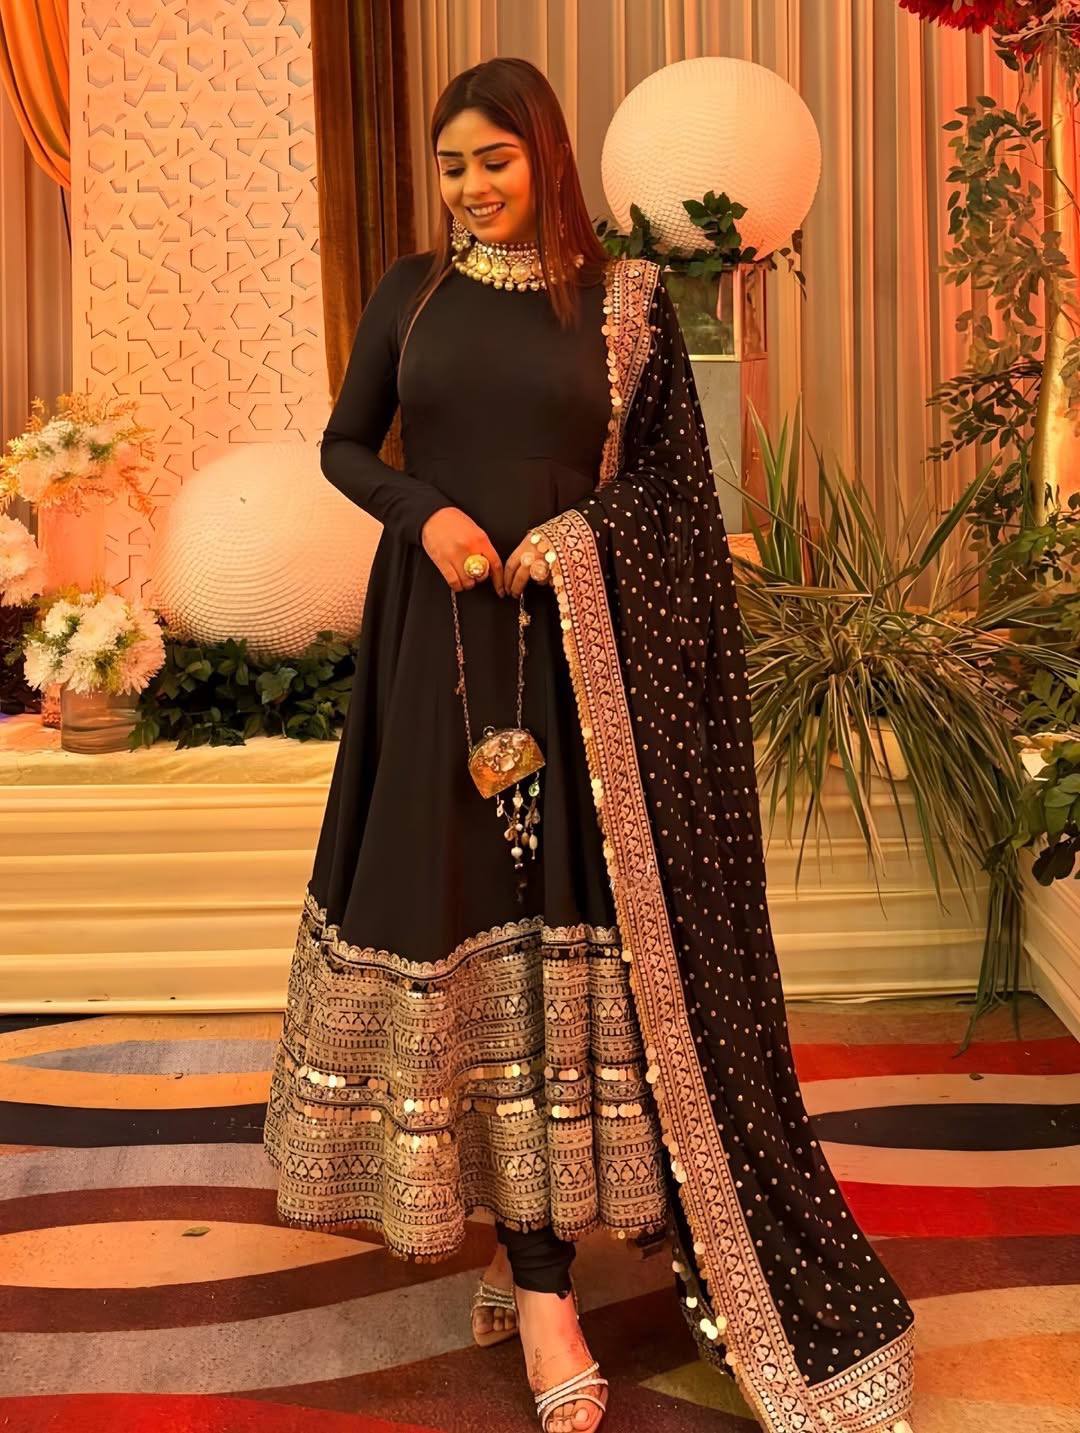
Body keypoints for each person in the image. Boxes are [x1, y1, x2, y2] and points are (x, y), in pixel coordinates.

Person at [263, 56, 915, 1433]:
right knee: (465, 923)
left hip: (586, 675)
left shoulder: (624, 303)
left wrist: (577, 537)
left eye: (494, 159)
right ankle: (532, 1269)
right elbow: (344, 446)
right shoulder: (410, 295)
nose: (469, 186)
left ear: (546, 157)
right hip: (440, 656)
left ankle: (551, 1262)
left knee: (572, 935)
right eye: (451, 164)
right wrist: (425, 512)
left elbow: (679, 495)